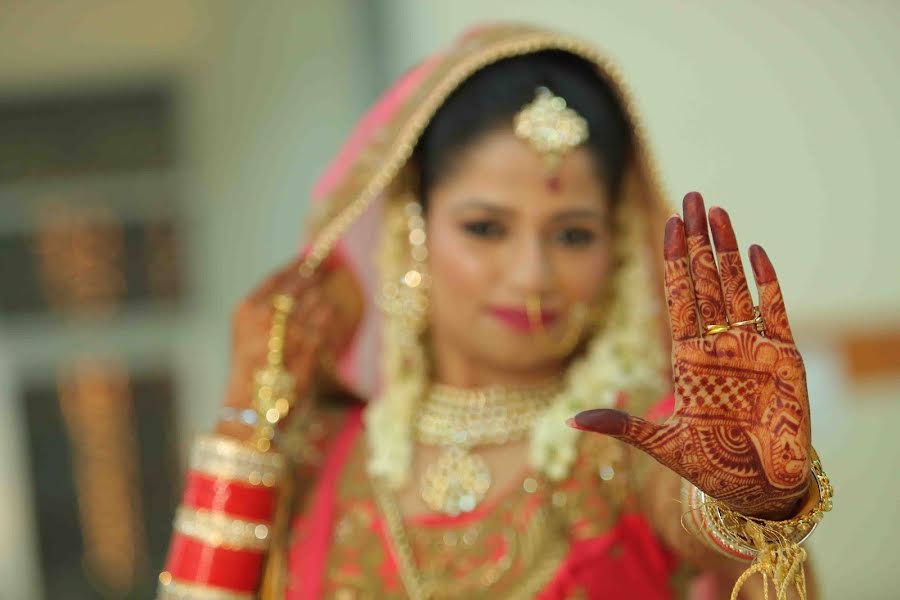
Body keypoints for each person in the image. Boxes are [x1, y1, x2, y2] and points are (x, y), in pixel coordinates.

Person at [157, 23, 831, 600]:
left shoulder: (630, 444)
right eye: (485, 228)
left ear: (617, 248)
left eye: (572, 235)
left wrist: (751, 500)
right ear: (414, 229)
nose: (531, 276)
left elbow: (701, 518)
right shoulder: (321, 451)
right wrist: (249, 411)